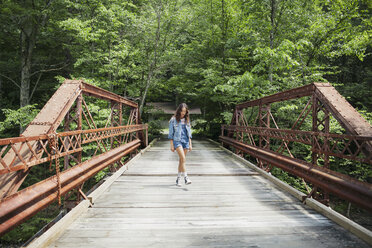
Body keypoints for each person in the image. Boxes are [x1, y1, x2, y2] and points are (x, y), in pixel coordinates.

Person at [168, 103, 192, 186]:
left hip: (185, 141)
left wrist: (190, 144)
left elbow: (189, 133)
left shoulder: (187, 120)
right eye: (182, 111)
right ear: (179, 110)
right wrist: (171, 145)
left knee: (181, 160)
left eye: (185, 111)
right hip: (177, 141)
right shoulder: (173, 119)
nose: (183, 113)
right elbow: (171, 134)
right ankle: (186, 177)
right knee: (183, 158)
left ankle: (178, 179)